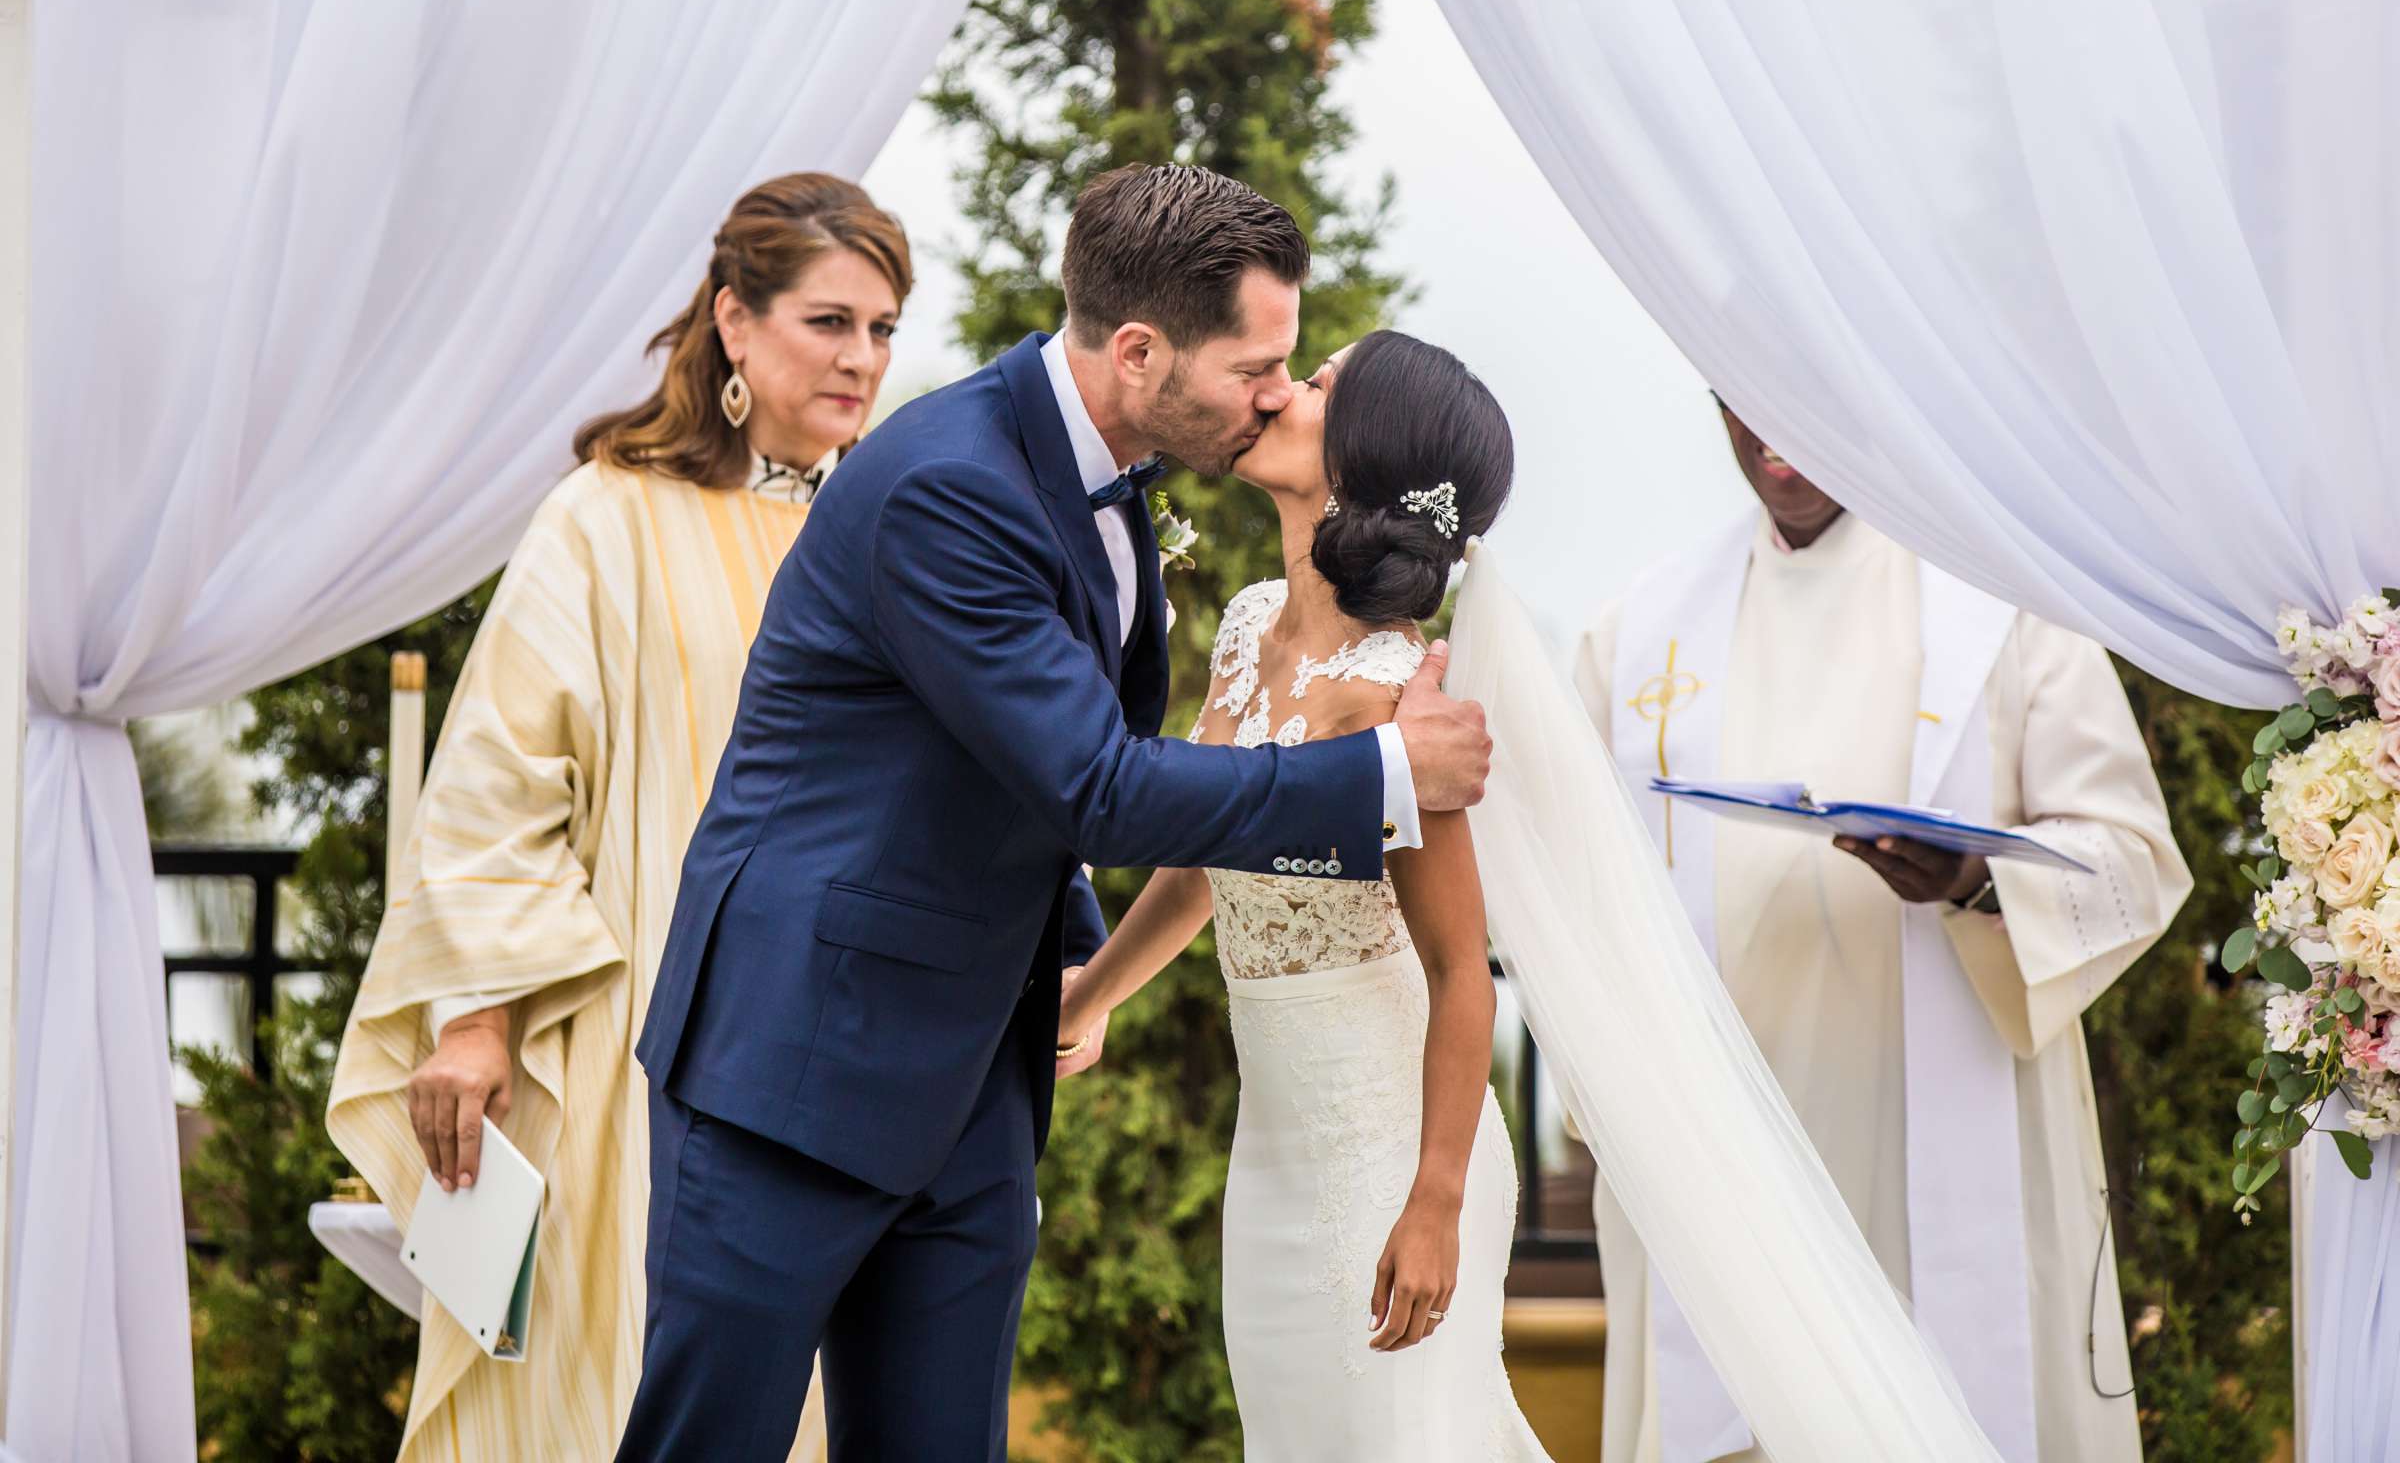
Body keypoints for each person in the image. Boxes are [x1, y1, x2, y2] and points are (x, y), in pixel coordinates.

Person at [615, 165, 1496, 1461]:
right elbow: (1097, 782)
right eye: (1258, 366)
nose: (1274, 396)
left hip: (973, 1086)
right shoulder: (947, 486)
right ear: (1140, 353)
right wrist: (1377, 778)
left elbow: (1007, 768)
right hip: (794, 1069)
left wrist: (1075, 958)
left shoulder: (1119, 483)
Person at [327, 172, 912, 1462]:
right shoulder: (604, 519)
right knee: (624, 1394)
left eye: (883, 329)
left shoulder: (893, 531)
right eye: (829, 321)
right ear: (733, 323)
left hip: (851, 1059)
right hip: (637, 1041)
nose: (862, 358)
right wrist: (476, 1023)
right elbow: (495, 790)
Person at [1570, 399, 2193, 1463]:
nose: (1772, 431)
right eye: (1739, 396)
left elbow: (2135, 854)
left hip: (1933, 1140)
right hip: (1727, 1148)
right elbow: (1580, 896)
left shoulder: (2002, 607)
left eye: (1796, 392)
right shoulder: (1637, 632)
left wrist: (1977, 881)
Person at [1056, 332, 1550, 1458]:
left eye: (1320, 385)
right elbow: (1201, 859)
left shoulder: (1396, 697)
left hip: (1396, 1147)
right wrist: (1094, 996)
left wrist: (1434, 1201)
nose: (1282, 389)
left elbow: (1458, 971)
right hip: (1272, 1146)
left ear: (1366, 453)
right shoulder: (1244, 627)